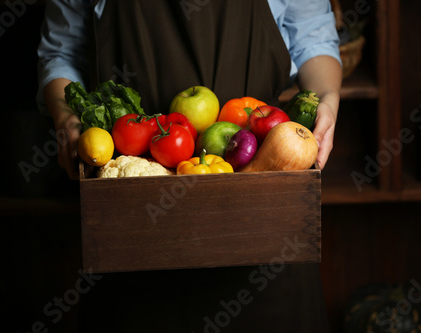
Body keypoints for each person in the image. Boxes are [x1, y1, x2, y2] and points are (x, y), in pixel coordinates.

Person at [37, 0, 342, 332]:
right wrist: (65, 116)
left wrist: (327, 97)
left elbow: (314, 39)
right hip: (131, 237)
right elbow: (62, 52)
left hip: (266, 241)